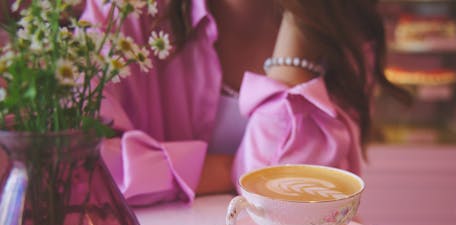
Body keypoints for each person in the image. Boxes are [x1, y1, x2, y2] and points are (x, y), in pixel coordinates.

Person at [80, 0, 406, 206]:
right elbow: (77, 167)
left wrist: (297, 42)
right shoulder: (124, 12)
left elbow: (308, 204)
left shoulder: (346, 29)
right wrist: (229, 169)